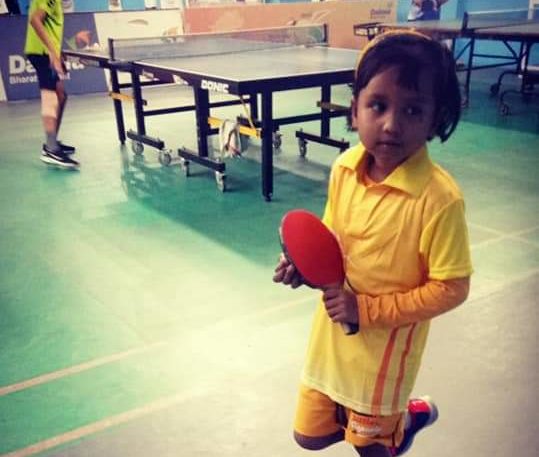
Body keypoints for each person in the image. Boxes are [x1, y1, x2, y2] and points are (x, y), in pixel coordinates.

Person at [273, 30, 472, 457]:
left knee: (372, 451)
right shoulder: (344, 167)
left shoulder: (440, 200)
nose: (391, 124)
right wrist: (303, 268)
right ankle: (406, 420)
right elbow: (331, 244)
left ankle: (403, 420)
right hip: (331, 343)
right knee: (310, 438)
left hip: (383, 362)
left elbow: (453, 288)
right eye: (378, 105)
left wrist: (365, 310)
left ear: (435, 119)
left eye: (413, 109)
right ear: (355, 108)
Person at [25, 0, 79, 169]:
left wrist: (57, 53)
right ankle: (50, 149)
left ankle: (52, 141)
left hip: (46, 52)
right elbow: (35, 20)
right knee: (51, 97)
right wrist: (52, 54)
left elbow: (49, 27)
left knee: (61, 95)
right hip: (41, 52)